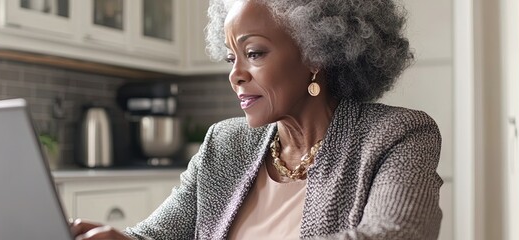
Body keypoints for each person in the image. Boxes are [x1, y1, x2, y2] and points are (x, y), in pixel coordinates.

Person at [71, 0, 443, 239]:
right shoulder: (224, 142)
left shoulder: (398, 135)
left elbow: (396, 233)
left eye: (254, 53)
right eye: (231, 57)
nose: (236, 75)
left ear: (316, 54)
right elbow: (158, 234)